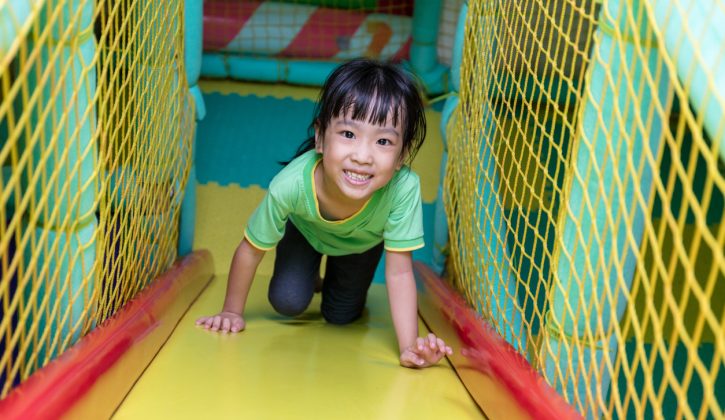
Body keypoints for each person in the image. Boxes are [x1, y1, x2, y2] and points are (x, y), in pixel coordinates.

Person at [195, 58, 453, 368]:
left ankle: (332, 282)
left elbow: (398, 272)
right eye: (348, 134)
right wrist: (232, 312)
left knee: (340, 317)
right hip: (306, 234)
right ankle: (312, 276)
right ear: (320, 136)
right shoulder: (290, 185)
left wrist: (409, 347)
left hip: (361, 246)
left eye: (383, 141)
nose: (362, 156)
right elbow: (250, 250)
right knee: (287, 302)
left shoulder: (404, 188)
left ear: (403, 155)